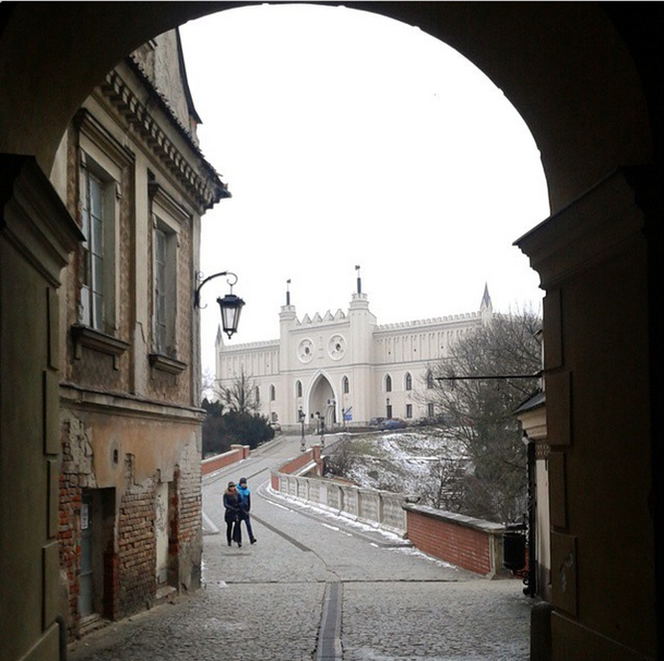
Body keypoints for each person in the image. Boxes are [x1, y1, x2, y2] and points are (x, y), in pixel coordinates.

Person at [236, 477, 257, 544]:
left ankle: (251, 538)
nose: (243, 485)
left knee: (248, 525)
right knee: (237, 526)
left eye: (244, 483)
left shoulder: (247, 491)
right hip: (239, 511)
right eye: (242, 483)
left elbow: (249, 501)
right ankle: (238, 539)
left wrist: (248, 509)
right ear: (240, 483)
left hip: (245, 511)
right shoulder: (237, 491)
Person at [223, 481, 242, 547]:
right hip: (229, 513)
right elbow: (225, 504)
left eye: (233, 487)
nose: (232, 488)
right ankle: (229, 541)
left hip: (236, 512)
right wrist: (232, 508)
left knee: (237, 526)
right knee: (229, 527)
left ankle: (238, 540)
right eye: (231, 487)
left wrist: (239, 506)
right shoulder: (226, 494)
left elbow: (240, 501)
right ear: (229, 487)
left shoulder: (237, 493)